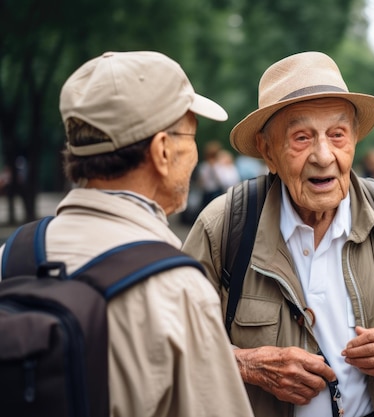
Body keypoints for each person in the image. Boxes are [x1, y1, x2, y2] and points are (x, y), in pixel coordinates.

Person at [182, 51, 374, 417]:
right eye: (301, 137)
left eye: (337, 134)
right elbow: (175, 346)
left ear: (355, 139)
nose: (324, 155)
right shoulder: (224, 226)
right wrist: (245, 363)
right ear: (268, 151)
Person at [0, 51, 254, 417]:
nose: (195, 154)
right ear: (162, 151)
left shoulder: (12, 255)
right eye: (191, 135)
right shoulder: (177, 288)